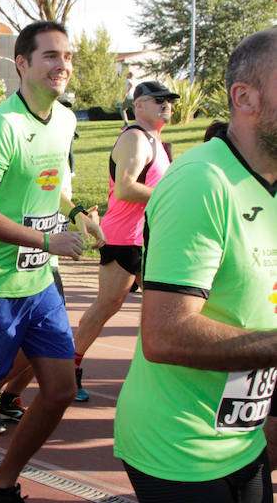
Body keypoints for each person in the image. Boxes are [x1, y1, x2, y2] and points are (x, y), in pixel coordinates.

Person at [114, 29, 277, 502]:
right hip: (178, 451)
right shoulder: (203, 182)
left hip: (243, 440)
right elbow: (165, 334)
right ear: (244, 97)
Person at [0, 21, 104, 503]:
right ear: (22, 63)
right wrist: (47, 241)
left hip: (36, 283)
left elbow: (51, 188)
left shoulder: (64, 119)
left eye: (67, 57)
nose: (63, 66)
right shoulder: (1, 125)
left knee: (59, 390)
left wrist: (79, 214)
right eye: (51, 56)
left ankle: (1, 486)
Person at [71, 81, 175, 402]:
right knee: (108, 306)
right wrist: (171, 194)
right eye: (159, 100)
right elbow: (126, 189)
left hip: (149, 239)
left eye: (169, 101)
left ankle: (155, 378)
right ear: (139, 104)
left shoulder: (157, 141)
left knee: (163, 310)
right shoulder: (135, 138)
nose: (166, 105)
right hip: (123, 238)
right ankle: (69, 366)